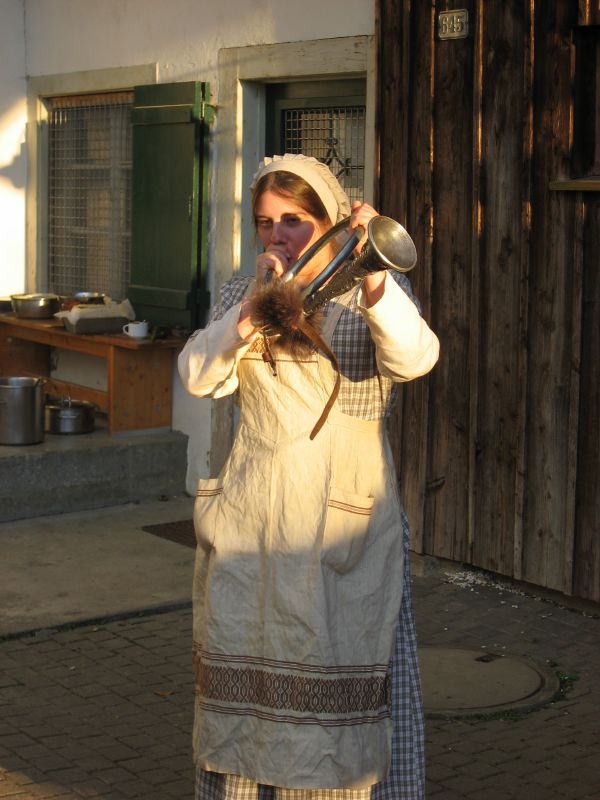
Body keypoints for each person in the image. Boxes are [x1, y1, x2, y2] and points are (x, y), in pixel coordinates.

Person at [178, 153, 439, 800]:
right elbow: (198, 377)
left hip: (341, 524)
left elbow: (415, 360)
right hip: (254, 517)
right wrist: (250, 314)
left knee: (338, 694)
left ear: (329, 221)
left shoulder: (367, 291)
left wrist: (375, 277)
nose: (277, 234)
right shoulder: (244, 294)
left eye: (294, 219)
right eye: (266, 222)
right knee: (251, 692)